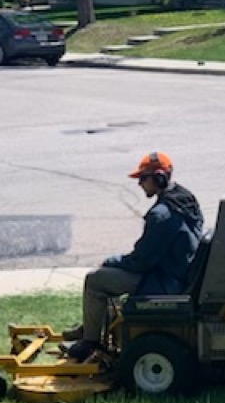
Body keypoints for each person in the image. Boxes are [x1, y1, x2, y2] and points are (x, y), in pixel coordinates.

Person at [64, 151, 205, 361]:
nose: (139, 184)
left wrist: (111, 261)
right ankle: (91, 327)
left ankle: (90, 342)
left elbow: (141, 261)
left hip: (164, 282)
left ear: (158, 178)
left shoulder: (162, 215)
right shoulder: (186, 200)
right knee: (109, 276)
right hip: (177, 273)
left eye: (142, 178)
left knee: (95, 280)